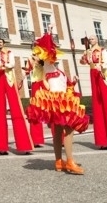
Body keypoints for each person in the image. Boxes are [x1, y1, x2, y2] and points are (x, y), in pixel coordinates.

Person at [27, 33, 89, 174]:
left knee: (60, 131)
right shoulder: (48, 66)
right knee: (69, 130)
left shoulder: (55, 68)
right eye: (53, 51)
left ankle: (59, 161)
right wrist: (49, 31)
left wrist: (73, 82)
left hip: (62, 100)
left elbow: (65, 85)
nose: (55, 53)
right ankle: (70, 161)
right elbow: (47, 47)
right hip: (57, 101)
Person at [0, 38, 33, 155]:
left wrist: (1, 65)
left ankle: (24, 146)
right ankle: (1, 147)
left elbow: (12, 64)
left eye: (0, 42)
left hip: (8, 77)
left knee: (16, 108)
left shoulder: (9, 52)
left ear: (4, 43)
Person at [24, 55, 45, 147]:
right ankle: (36, 140)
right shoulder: (30, 58)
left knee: (53, 108)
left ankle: (61, 139)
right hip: (35, 83)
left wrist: (40, 61)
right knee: (35, 111)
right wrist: (21, 80)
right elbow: (26, 71)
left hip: (46, 81)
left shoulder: (45, 55)